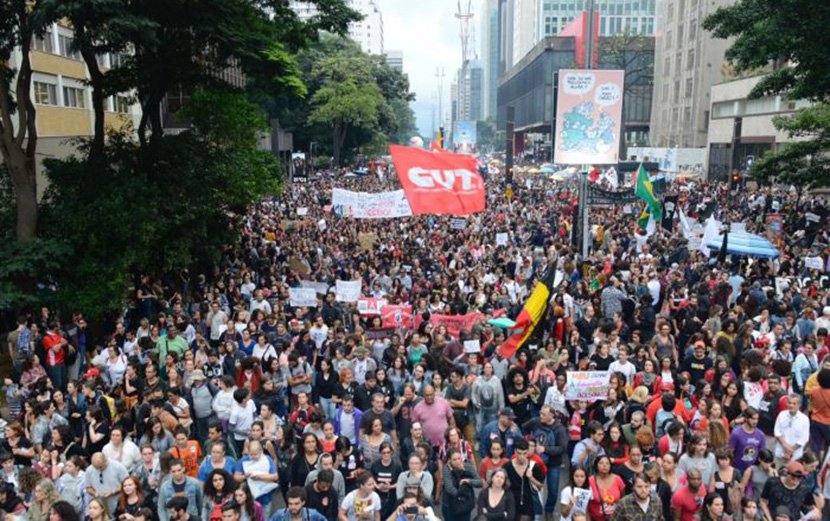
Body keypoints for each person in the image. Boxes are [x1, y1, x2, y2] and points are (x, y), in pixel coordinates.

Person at [233, 440, 280, 517]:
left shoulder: (267, 459)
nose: (253, 457)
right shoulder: (243, 460)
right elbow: (236, 477)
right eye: (251, 454)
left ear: (261, 451)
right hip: (248, 499)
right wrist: (245, 476)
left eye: (256, 454)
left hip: (265, 497)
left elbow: (275, 476)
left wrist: (259, 477)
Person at [503, 438, 545, 521]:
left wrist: (531, 478)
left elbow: (541, 485)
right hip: (511, 502)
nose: (522, 457)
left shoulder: (534, 466)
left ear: (528, 452)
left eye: (525, 453)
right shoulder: (507, 466)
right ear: (515, 451)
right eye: (519, 453)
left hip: (528, 502)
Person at [440, 448, 482, 521]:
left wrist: (468, 481)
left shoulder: (467, 466)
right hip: (450, 503)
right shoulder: (446, 469)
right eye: (454, 460)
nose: (457, 461)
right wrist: (460, 496)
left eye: (459, 458)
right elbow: (449, 488)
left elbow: (479, 482)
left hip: (465, 503)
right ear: (449, 460)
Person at [772, 395, 810, 467]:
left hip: (795, 456)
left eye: (794, 403)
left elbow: (804, 438)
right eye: (789, 403)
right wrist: (785, 446)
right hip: (780, 452)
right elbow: (777, 432)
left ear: (799, 405)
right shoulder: (781, 415)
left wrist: (790, 452)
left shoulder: (804, 419)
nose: (791, 405)